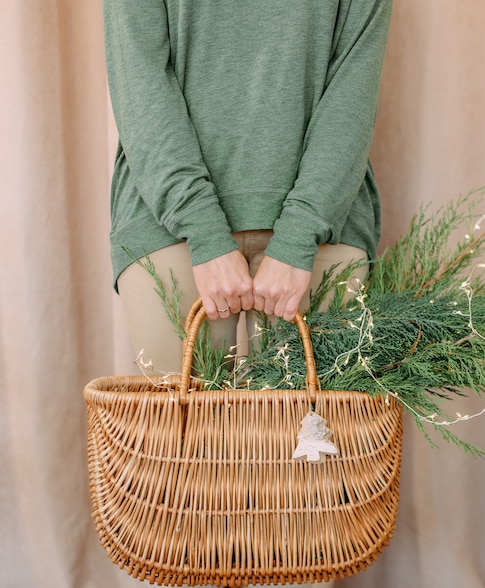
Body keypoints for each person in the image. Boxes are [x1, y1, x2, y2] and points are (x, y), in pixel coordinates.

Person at [103, 0, 392, 584]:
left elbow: (353, 85)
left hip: (322, 224)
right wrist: (205, 232)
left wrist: (300, 233)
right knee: (183, 506)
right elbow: (138, 76)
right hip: (169, 222)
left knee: (306, 514)